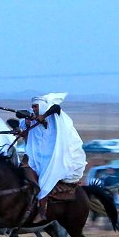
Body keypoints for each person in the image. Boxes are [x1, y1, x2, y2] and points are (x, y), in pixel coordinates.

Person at [17, 93, 87, 223]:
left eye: (36, 107)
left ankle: (42, 211)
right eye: (33, 107)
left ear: (43, 107)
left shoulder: (55, 118)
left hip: (54, 157)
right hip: (39, 156)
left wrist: (43, 117)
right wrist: (26, 126)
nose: (34, 109)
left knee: (44, 180)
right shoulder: (34, 120)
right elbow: (21, 123)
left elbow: (56, 108)